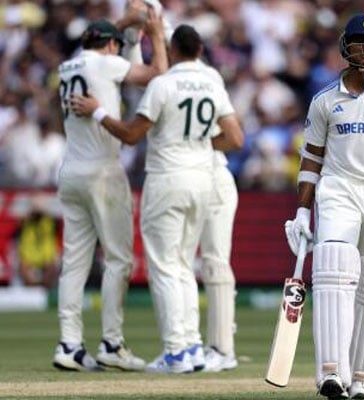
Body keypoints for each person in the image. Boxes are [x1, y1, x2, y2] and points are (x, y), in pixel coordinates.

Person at [70, 24, 245, 373]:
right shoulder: (213, 80)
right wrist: (196, 146)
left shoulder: (162, 84)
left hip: (167, 179)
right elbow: (235, 137)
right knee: (182, 265)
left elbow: (133, 134)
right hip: (202, 180)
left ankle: (177, 351)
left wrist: (99, 112)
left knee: (166, 266)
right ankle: (192, 346)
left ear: (174, 49)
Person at [284, 14, 364, 400]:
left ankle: (361, 380)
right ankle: (330, 373)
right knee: (332, 271)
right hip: (338, 189)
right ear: (345, 46)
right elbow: (311, 160)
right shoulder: (325, 100)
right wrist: (302, 211)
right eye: (359, 41)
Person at [53, 9, 167, 372]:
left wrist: (122, 27)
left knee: (74, 262)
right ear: (112, 47)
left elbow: (99, 45)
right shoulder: (105, 65)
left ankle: (69, 345)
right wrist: (154, 33)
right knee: (118, 259)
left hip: (70, 170)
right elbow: (157, 76)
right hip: (102, 170)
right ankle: (111, 342)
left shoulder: (68, 67)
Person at [198, 148, 240, 373]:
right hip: (180, 176)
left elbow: (235, 139)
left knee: (215, 263)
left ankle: (222, 349)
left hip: (213, 177)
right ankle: (184, 346)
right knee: (177, 264)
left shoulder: (217, 109)